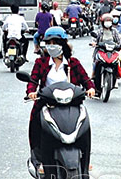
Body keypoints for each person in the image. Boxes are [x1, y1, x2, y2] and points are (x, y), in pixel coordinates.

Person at [25, 27, 94, 164]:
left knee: (84, 126)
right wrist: (31, 92)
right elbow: (33, 80)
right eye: (48, 43)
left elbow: (85, 79)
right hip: (47, 103)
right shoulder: (41, 63)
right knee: (35, 123)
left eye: (55, 42)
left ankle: (85, 160)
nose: (51, 46)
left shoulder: (73, 63)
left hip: (71, 104)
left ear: (63, 44)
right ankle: (38, 159)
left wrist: (90, 89)